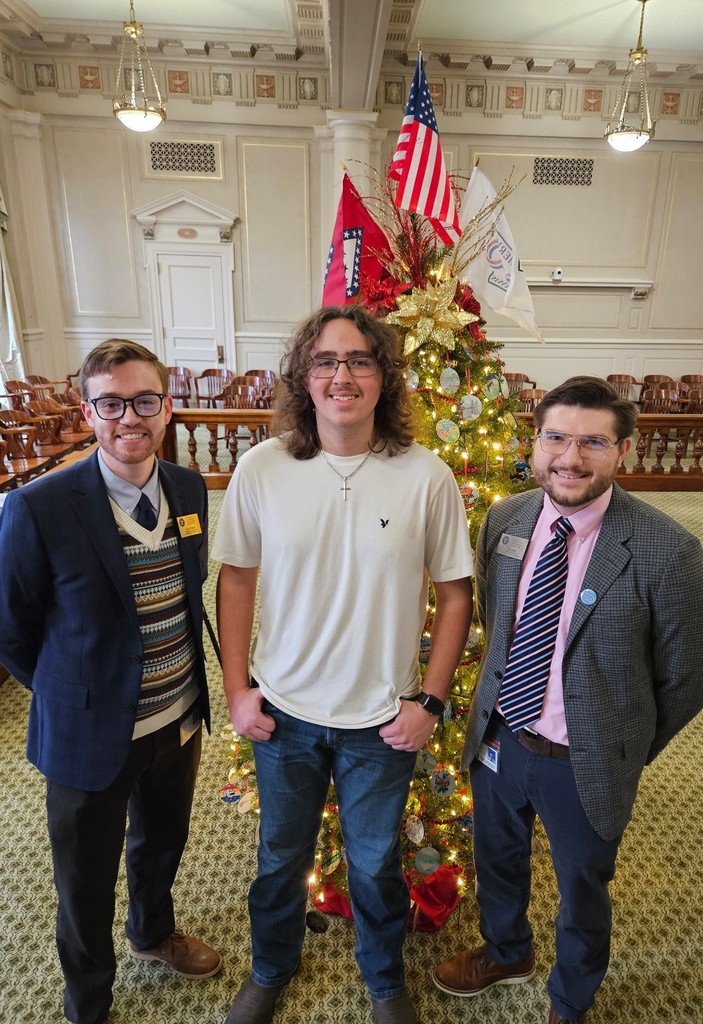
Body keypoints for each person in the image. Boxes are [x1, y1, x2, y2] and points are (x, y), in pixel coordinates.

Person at [212, 305, 474, 1024]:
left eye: (359, 360)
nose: (342, 375)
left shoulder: (426, 476)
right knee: (278, 859)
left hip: (382, 720)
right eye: (325, 361)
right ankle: (270, 968)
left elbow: (455, 595)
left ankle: (384, 980)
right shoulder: (263, 469)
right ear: (304, 377)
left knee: (374, 864)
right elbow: (235, 578)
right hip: (284, 715)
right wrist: (238, 690)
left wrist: (430, 700)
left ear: (384, 378)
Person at [432, 376, 703, 1024]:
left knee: (581, 890)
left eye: (593, 441)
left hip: (583, 761)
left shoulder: (667, 551)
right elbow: (494, 614)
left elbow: (691, 676)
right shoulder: (507, 520)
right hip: (502, 740)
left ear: (624, 451)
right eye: (557, 437)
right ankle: (507, 951)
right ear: (535, 444)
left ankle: (571, 997)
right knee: (496, 861)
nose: (570, 456)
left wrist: (624, 741)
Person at [0, 340, 221, 1024]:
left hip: (176, 715)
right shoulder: (38, 507)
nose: (131, 417)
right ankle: (87, 1001)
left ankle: (152, 935)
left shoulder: (188, 489)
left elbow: (188, 592)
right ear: (88, 409)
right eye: (111, 403)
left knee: (160, 844)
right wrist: (74, 698)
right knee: (85, 881)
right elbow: (11, 628)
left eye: (145, 401)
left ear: (167, 407)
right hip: (88, 734)